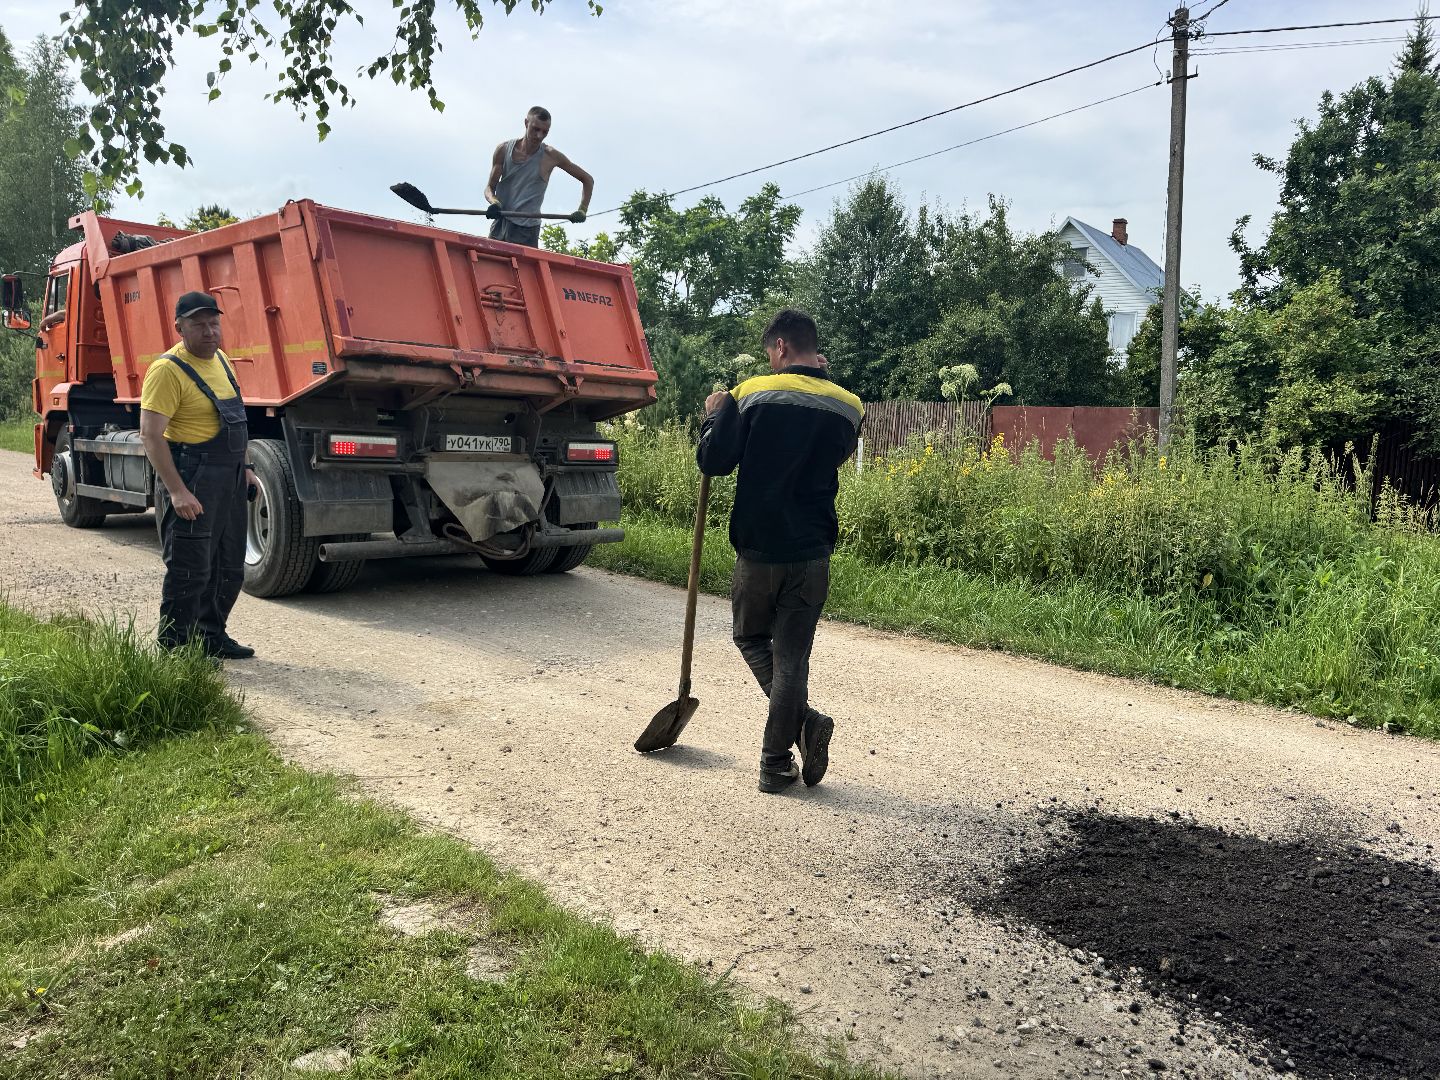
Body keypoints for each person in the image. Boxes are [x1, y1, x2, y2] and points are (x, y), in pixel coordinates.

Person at [696, 309, 864, 793]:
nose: (771, 361)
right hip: (812, 549)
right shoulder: (849, 405)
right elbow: (834, 454)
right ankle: (774, 763)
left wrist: (714, 415)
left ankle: (804, 725)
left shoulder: (748, 394)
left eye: (771, 352)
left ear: (782, 347)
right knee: (792, 659)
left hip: (759, 546)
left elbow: (713, 461)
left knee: (750, 637)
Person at [138, 291, 256, 660]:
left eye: (214, 323)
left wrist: (247, 467)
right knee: (190, 570)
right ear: (180, 327)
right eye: (199, 324)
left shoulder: (221, 360)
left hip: (230, 477)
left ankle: (211, 637)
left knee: (229, 567)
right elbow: (150, 435)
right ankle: (173, 652)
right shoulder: (167, 370)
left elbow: (238, 421)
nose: (209, 331)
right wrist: (177, 491)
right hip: (194, 476)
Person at [483, 105, 594, 247]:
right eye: (535, 129)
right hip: (500, 223)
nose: (539, 136)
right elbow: (489, 188)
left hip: (526, 230)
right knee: (486, 260)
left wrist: (583, 209)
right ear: (526, 123)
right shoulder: (503, 150)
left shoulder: (550, 155)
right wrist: (494, 202)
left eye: (545, 132)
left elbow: (587, 180)